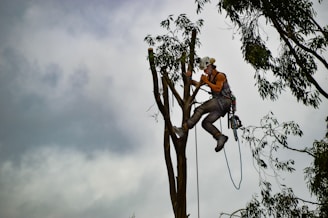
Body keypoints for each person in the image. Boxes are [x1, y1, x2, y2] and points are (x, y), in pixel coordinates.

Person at [174, 57, 232, 152]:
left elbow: (217, 88)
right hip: (220, 107)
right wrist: (189, 78)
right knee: (205, 123)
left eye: (205, 69)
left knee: (200, 109)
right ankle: (220, 137)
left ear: (210, 66)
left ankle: (184, 129)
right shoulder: (209, 77)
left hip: (223, 101)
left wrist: (206, 81)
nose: (205, 71)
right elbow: (198, 84)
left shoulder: (220, 76)